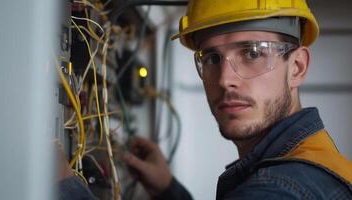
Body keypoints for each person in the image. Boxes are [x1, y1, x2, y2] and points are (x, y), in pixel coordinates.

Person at [60, 0, 352, 199]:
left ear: (297, 67)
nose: (225, 79)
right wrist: (167, 190)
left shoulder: (278, 189)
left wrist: (59, 183)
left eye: (252, 53)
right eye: (212, 58)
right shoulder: (315, 166)